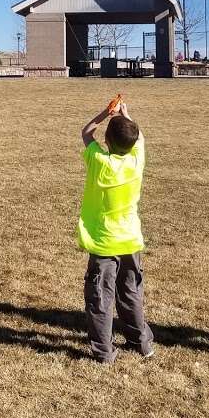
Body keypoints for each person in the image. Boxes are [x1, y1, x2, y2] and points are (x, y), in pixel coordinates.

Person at [78, 97, 154, 364]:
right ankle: (140, 341)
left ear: (106, 142)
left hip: (103, 243)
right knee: (130, 292)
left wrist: (105, 113)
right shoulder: (137, 160)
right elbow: (138, 137)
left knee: (100, 297)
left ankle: (104, 351)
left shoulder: (100, 162)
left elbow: (86, 133)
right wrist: (125, 114)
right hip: (131, 241)